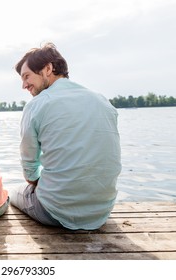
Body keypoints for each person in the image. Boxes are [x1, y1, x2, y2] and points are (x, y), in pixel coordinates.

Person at [10, 43, 121, 230]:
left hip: (54, 213)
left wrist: (41, 184)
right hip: (102, 211)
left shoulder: (37, 105)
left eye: (27, 76)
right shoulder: (102, 101)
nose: (24, 85)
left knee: (13, 192)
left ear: (47, 69)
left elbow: (29, 170)